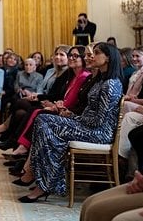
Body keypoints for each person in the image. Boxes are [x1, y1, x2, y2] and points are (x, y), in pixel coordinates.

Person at [17, 42, 123, 203]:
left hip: (99, 133)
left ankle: (45, 182)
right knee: (43, 120)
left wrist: (73, 117)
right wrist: (72, 115)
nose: (92, 56)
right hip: (87, 126)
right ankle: (46, 181)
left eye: (97, 53)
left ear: (108, 58)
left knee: (45, 122)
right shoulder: (101, 80)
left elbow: (98, 121)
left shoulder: (111, 84)